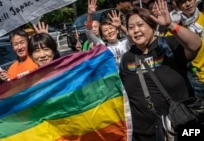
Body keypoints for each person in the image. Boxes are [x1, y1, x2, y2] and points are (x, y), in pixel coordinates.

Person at [120, 0, 201, 141]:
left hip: (181, 127)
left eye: (140, 25)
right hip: (144, 133)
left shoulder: (168, 45)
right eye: (131, 27)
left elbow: (195, 45)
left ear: (152, 27)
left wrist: (170, 25)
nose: (136, 30)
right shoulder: (127, 58)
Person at [86, 0, 131, 70]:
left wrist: (120, 26)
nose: (109, 31)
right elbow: (89, 32)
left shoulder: (125, 43)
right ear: (103, 36)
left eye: (111, 28)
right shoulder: (103, 47)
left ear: (117, 31)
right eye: (105, 30)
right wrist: (90, 15)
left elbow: (131, 36)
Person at [174, 0, 204, 97]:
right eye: (183, 2)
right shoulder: (178, 28)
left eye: (190, 0)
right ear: (178, 6)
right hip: (196, 81)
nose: (187, 4)